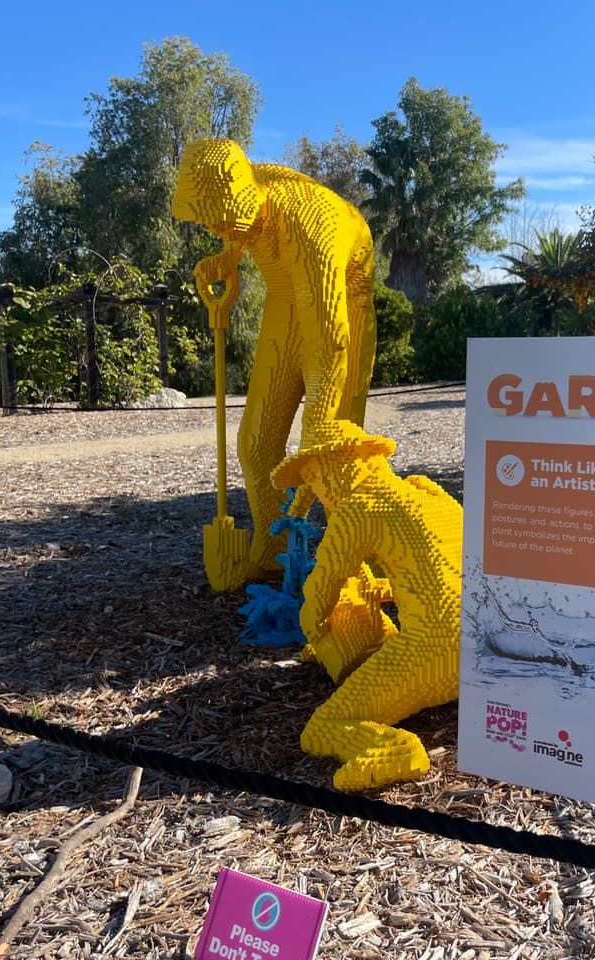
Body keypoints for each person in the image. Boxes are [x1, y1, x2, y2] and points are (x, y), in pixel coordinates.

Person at [173, 139, 377, 582]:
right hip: (285, 302)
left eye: (218, 221)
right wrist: (226, 258)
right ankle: (274, 548)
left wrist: (318, 426)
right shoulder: (250, 195)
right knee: (256, 443)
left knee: (331, 453)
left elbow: (331, 336)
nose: (214, 229)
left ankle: (357, 565)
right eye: (207, 223)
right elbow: (242, 231)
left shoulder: (310, 221)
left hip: (340, 304)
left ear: (239, 196)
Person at [270, 421, 463, 792]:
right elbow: (443, 574)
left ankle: (394, 749)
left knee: (322, 727)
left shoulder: (358, 508)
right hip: (491, 646)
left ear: (339, 467)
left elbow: (318, 593)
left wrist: (319, 630)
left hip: (437, 650)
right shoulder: (431, 495)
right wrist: (383, 591)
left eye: (314, 478)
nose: (318, 492)